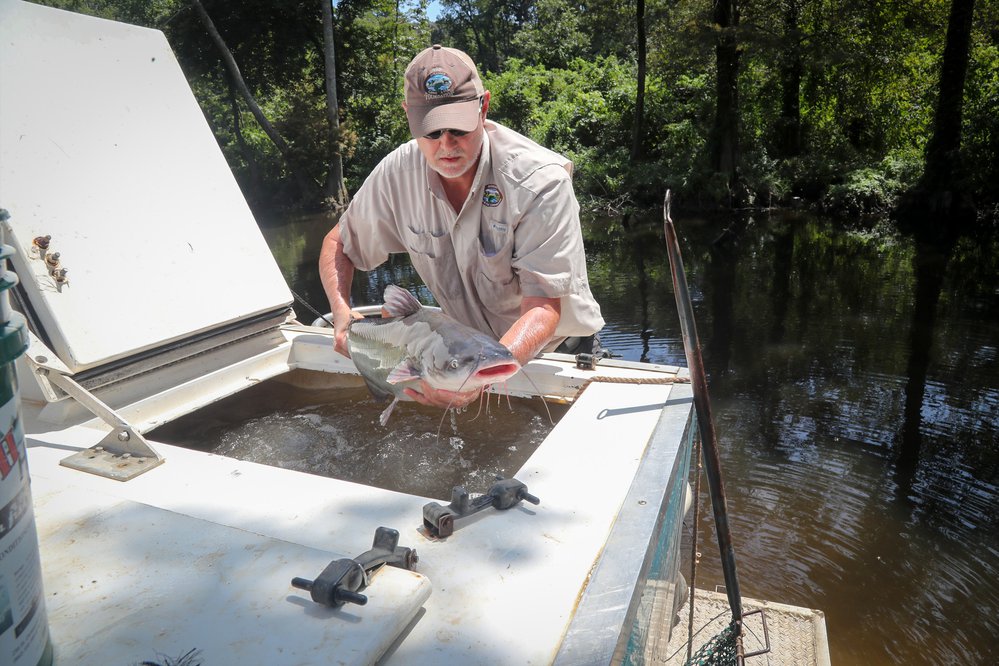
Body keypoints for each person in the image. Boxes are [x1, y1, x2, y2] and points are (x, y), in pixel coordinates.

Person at [319, 44, 604, 409]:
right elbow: (338, 243)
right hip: (463, 359)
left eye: (458, 127)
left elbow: (543, 308)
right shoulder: (396, 174)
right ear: (408, 115)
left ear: (483, 107)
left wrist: (484, 371)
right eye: (431, 131)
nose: (446, 145)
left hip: (556, 355)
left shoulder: (540, 182)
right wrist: (342, 315)